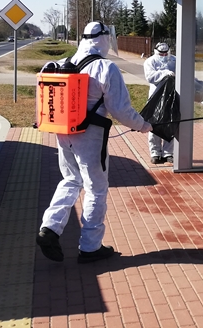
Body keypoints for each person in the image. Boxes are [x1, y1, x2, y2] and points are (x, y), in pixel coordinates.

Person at [36, 21, 153, 264]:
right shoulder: (105, 67)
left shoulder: (64, 63)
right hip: (90, 135)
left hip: (63, 130)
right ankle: (90, 246)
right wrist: (143, 125)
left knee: (70, 179)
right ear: (103, 39)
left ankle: (49, 227)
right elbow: (121, 110)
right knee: (96, 188)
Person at [143, 42, 176, 164]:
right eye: (161, 53)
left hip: (171, 96)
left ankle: (168, 153)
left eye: (165, 53)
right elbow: (150, 77)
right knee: (154, 125)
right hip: (155, 97)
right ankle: (155, 152)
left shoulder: (174, 60)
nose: (163, 55)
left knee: (170, 124)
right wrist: (164, 73)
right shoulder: (150, 61)